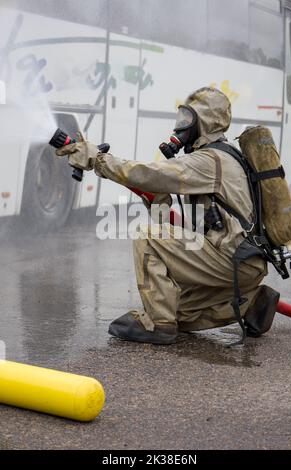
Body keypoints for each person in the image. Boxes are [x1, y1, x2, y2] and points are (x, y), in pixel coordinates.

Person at [56, 87, 279, 345]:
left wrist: (98, 160)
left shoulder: (209, 160)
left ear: (204, 122)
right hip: (243, 261)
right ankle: (251, 305)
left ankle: (158, 325)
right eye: (180, 118)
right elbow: (181, 221)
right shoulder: (224, 157)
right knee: (180, 312)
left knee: (147, 237)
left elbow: (150, 173)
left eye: (187, 119)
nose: (180, 127)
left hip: (232, 258)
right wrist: (155, 199)